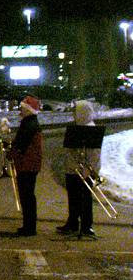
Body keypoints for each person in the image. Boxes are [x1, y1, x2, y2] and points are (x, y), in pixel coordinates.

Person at [58, 99, 101, 238]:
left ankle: (86, 225)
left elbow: (94, 154)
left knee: (84, 199)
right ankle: (72, 223)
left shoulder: (90, 129)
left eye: (75, 111)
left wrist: (91, 169)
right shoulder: (77, 127)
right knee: (74, 198)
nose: (73, 114)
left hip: (83, 171)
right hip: (72, 169)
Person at [10, 95, 43, 237]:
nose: (20, 111)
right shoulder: (29, 122)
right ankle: (28, 225)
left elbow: (22, 145)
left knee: (27, 196)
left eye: (22, 108)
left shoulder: (29, 124)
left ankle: (29, 227)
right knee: (27, 195)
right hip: (29, 164)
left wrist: (12, 150)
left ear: (28, 110)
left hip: (27, 164)